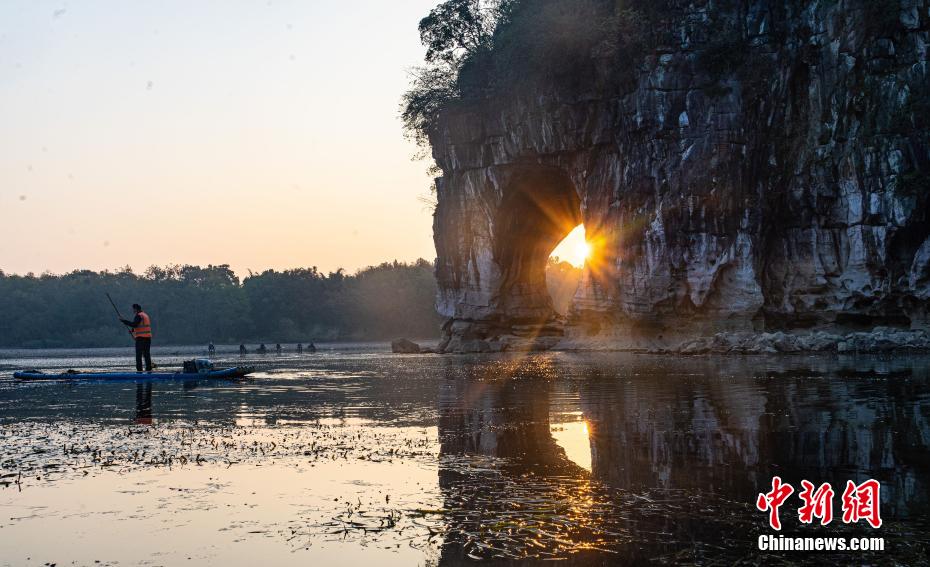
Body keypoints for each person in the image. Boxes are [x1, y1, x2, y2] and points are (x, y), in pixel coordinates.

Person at [120, 303, 153, 372]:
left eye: (133, 309)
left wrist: (124, 321)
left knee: (139, 355)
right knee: (147, 354)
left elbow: (134, 324)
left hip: (141, 338)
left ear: (136, 309)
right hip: (148, 338)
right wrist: (132, 331)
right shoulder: (145, 315)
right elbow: (140, 325)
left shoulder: (139, 315)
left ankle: (139, 371)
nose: (133, 311)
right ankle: (149, 369)